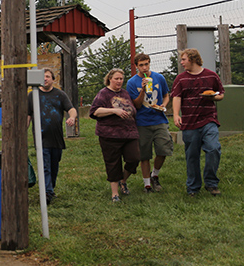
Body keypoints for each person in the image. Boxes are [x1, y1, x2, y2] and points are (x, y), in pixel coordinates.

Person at [171, 48, 225, 197]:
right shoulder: (181, 79)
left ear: (193, 59)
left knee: (213, 149)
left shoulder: (211, 76)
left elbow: (221, 94)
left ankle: (211, 183)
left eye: (184, 59)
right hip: (189, 122)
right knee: (192, 156)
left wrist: (214, 98)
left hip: (209, 119)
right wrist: (176, 115)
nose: (181, 63)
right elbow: (176, 97)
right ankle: (193, 187)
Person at [27, 68, 78, 204]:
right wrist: (22, 131)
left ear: (53, 79)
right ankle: (47, 193)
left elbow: (71, 109)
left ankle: (50, 188)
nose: (45, 79)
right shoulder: (33, 95)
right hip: (40, 137)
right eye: (43, 77)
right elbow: (28, 115)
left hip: (56, 138)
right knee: (45, 166)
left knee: (54, 166)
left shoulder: (60, 95)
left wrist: (72, 118)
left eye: (48, 77)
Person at [89, 68, 140, 202]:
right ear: (109, 79)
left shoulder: (125, 93)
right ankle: (115, 194)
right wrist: (114, 111)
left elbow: (132, 108)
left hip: (129, 133)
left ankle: (123, 180)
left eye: (121, 79)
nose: (119, 81)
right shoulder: (103, 94)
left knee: (134, 158)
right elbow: (95, 111)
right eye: (116, 78)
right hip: (109, 135)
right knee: (113, 163)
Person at [126, 53, 172, 193]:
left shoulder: (159, 78)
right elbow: (137, 105)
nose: (144, 68)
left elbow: (166, 95)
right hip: (142, 122)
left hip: (159, 120)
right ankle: (147, 184)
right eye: (141, 65)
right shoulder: (132, 83)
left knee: (163, 150)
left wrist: (163, 105)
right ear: (136, 66)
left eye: (146, 64)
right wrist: (143, 90)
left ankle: (155, 175)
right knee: (144, 154)